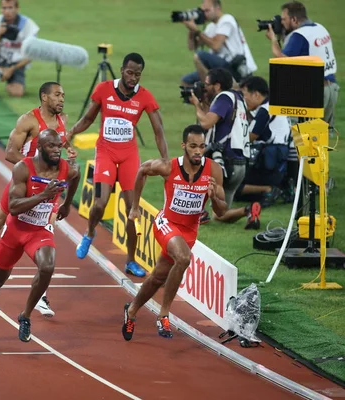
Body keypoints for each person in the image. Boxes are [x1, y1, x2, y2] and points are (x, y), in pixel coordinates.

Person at [0, 81, 76, 317]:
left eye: (63, 95)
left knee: (47, 227)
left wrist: (67, 153)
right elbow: (9, 153)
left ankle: (41, 296)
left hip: (48, 187)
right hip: (24, 181)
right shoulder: (28, 120)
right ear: (44, 97)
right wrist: (31, 172)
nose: (61, 99)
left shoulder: (62, 120)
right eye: (57, 95)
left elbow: (59, 145)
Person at [0, 129, 80, 348]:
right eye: (51, 146)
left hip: (39, 231)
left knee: (47, 266)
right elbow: (13, 207)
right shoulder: (23, 168)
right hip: (16, 229)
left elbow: (76, 174)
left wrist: (67, 203)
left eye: (58, 146)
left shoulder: (66, 168)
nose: (57, 151)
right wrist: (44, 196)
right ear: (40, 148)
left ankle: (25, 315)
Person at [67, 52, 168, 278]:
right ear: (122, 70)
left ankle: (131, 261)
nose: (133, 78)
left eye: (138, 75)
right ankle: (90, 231)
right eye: (130, 73)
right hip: (106, 153)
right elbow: (88, 118)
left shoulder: (145, 96)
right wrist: (72, 131)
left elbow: (158, 130)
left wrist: (165, 160)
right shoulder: (103, 89)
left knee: (132, 210)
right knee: (100, 204)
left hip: (129, 156)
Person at [121, 124, 227, 340]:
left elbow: (222, 210)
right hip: (166, 222)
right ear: (184, 146)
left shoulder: (214, 170)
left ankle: (131, 310)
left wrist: (214, 196)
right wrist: (134, 207)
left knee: (158, 276)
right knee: (183, 258)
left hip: (189, 230)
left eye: (202, 146)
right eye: (193, 146)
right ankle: (163, 314)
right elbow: (142, 170)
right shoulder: (169, 167)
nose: (198, 151)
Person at [190, 67, 260, 229]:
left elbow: (206, 123)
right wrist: (204, 102)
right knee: (220, 214)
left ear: (217, 85)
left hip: (224, 162)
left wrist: (196, 105)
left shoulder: (224, 98)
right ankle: (249, 210)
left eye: (207, 84)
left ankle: (198, 211)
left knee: (189, 162)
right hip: (240, 164)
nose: (204, 87)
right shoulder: (239, 100)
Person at [265, 1, 338, 135]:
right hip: (331, 88)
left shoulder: (299, 35)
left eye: (284, 19)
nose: (282, 23)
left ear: (294, 19)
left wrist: (273, 39)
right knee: (320, 139)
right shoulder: (320, 28)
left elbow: (281, 60)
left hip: (313, 94)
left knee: (303, 139)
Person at [235, 76, 290, 208]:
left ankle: (268, 190)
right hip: (278, 167)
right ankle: (274, 189)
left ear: (256, 94)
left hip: (269, 168)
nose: (243, 99)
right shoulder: (274, 106)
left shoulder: (264, 111)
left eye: (244, 95)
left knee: (234, 184)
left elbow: (250, 137)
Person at [181, 0, 257, 87]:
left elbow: (216, 46)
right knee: (186, 81)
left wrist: (197, 31)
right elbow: (192, 46)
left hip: (235, 68)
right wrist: (191, 30)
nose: (204, 14)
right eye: (202, 11)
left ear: (217, 8)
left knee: (199, 56)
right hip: (220, 67)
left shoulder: (227, 20)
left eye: (207, 10)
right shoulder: (211, 27)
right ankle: (207, 96)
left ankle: (209, 90)